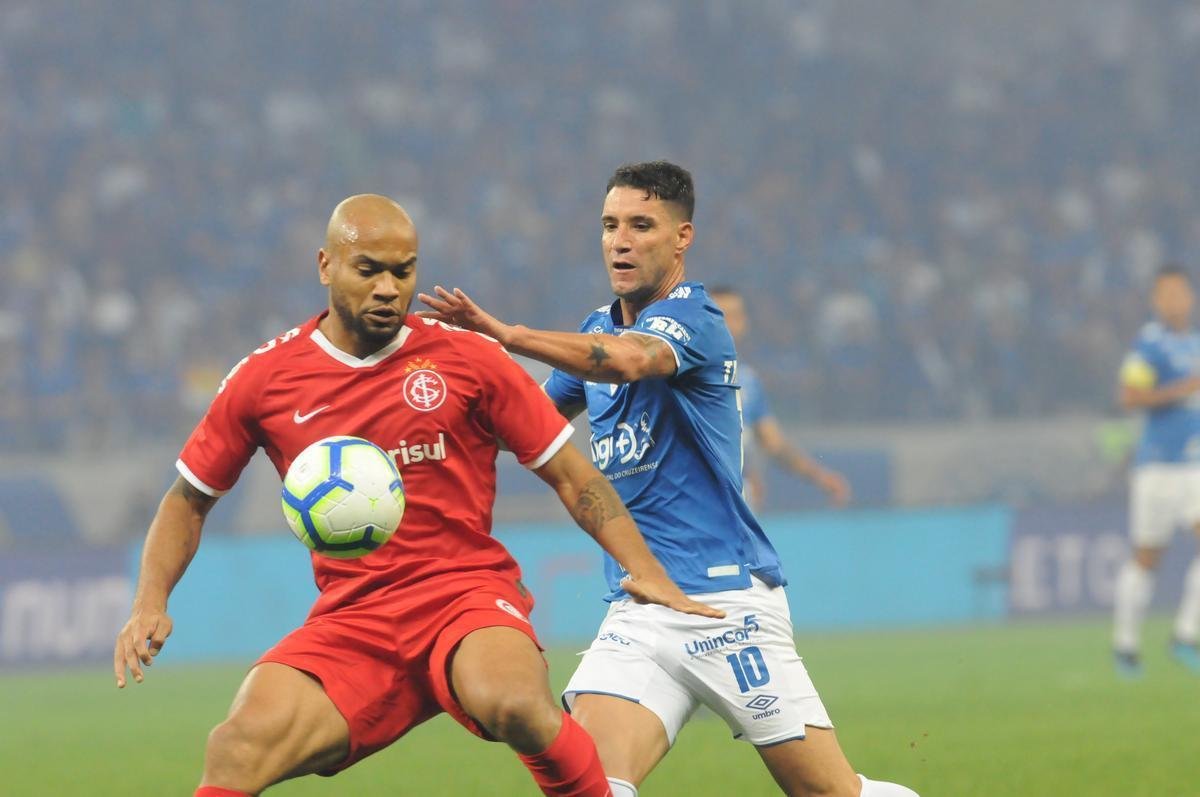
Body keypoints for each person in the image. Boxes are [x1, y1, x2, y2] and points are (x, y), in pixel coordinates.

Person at [112, 194, 720, 797]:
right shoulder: (265, 379)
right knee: (235, 749)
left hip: (466, 595)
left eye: (402, 272)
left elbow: (572, 475)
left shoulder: (469, 358)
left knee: (516, 703)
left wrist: (646, 570)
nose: (387, 288)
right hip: (356, 616)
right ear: (326, 266)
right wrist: (149, 601)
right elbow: (187, 499)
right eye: (368, 269)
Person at [419, 162, 917, 797]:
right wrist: (427, 426)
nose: (620, 240)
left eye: (641, 225)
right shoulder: (596, 327)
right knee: (590, 787)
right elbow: (528, 426)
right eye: (609, 225)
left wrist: (509, 336)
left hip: (725, 606)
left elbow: (631, 362)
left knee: (830, 794)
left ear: (682, 237)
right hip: (639, 611)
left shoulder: (697, 319)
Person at [1112, 264, 1200, 678]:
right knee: (1147, 559)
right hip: (1157, 468)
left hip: (1193, 466)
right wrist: (1181, 390)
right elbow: (1130, 396)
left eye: (1181, 292)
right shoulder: (1149, 345)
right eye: (1166, 294)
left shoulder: (1197, 344)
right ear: (1156, 301)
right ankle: (1125, 647)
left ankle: (1185, 636)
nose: (1175, 301)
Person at [709, 286, 851, 511]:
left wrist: (820, 476)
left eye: (734, 316)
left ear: (744, 322)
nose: (727, 324)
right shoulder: (681, 377)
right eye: (718, 315)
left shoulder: (748, 381)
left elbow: (773, 443)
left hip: (738, 508)